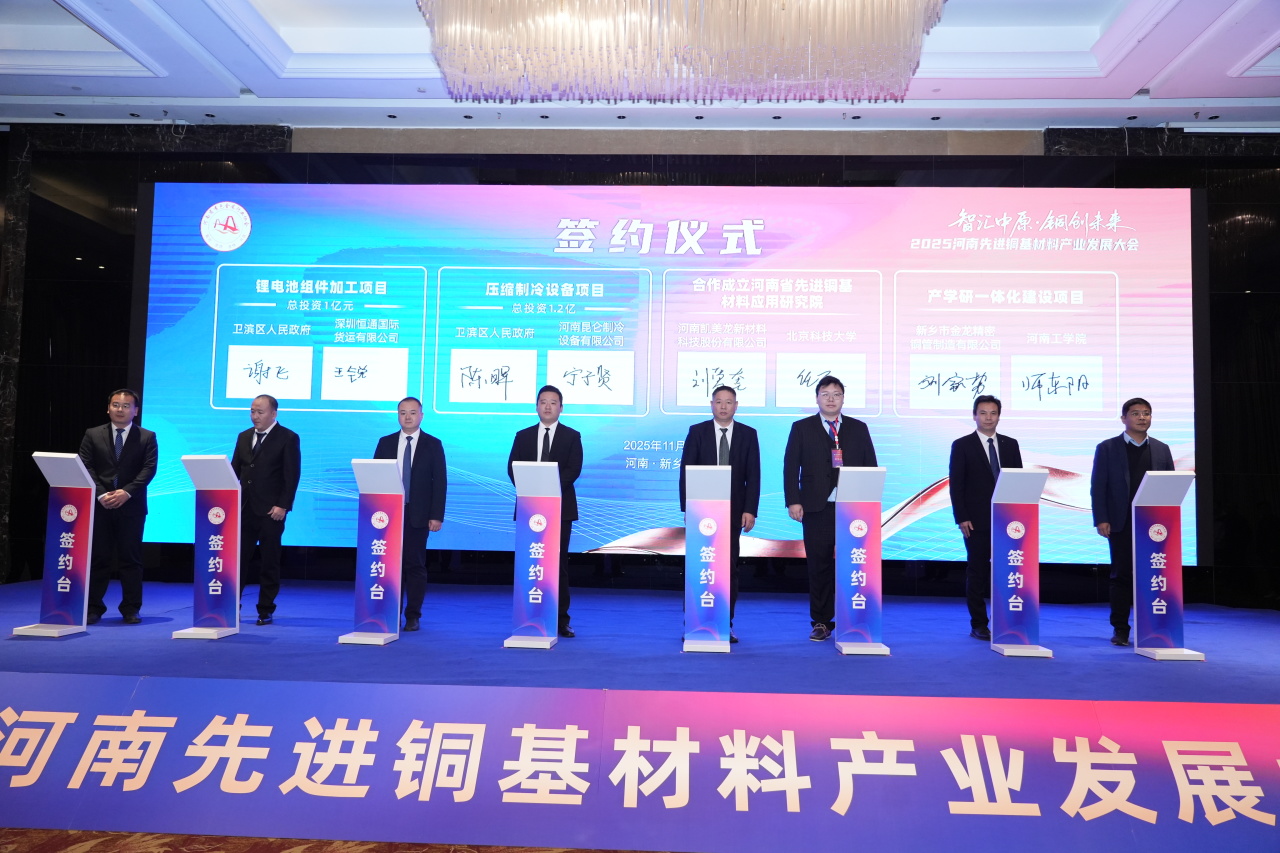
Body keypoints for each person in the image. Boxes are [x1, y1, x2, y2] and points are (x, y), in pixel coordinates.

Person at [783, 375, 877, 641]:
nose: (831, 399)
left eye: (836, 394)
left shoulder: (859, 428)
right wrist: (793, 500)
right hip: (816, 507)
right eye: (825, 394)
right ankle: (822, 621)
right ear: (817, 398)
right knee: (819, 566)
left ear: (843, 399)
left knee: (854, 565)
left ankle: (854, 619)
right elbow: (791, 467)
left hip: (853, 510)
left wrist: (869, 505)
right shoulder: (801, 428)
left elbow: (870, 466)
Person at [679, 384, 761, 643]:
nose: (723, 406)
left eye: (728, 402)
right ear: (711, 405)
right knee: (699, 566)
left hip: (734, 512)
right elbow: (686, 471)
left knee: (728, 568)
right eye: (719, 401)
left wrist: (750, 509)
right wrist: (687, 508)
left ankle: (726, 622)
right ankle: (694, 622)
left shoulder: (748, 434)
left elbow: (753, 476)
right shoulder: (697, 432)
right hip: (701, 513)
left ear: (736, 406)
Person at [1090, 397, 1174, 646]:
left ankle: (1154, 628)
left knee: (1154, 576)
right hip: (1121, 521)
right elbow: (1098, 486)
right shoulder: (1107, 448)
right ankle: (1121, 629)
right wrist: (1102, 518)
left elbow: (1169, 486)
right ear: (1123, 418)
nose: (1142, 417)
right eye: (1136, 413)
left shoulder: (1161, 449)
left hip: (1154, 525)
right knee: (1122, 575)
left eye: (1146, 413)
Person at [507, 385, 583, 638]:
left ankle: (561, 619)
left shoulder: (572, 436)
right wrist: (533, 491)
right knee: (531, 562)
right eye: (543, 402)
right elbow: (513, 468)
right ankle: (528, 615)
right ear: (536, 406)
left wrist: (549, 489)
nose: (548, 406)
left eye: (553, 402)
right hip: (529, 510)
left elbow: (574, 469)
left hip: (560, 510)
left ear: (561, 408)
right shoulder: (523, 436)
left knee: (557, 565)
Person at [78, 389, 158, 625]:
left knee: (130, 559)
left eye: (125, 406)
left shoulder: (147, 436)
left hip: (131, 507)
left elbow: (149, 469)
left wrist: (127, 492)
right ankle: (93, 608)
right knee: (98, 558)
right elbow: (86, 465)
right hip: (101, 505)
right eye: (115, 405)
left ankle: (131, 608)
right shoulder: (92, 434)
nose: (120, 410)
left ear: (135, 411)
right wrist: (101, 494)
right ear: (108, 408)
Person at [948, 394, 1023, 640]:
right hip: (975, 520)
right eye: (983, 413)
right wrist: (961, 516)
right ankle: (979, 624)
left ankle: (1007, 620)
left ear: (999, 416)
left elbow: (1017, 482)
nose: (988, 418)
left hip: (1007, 521)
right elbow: (957, 484)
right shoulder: (962, 445)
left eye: (993, 413)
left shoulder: (1011, 444)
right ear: (974, 416)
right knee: (977, 572)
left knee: (1006, 571)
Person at [373, 396, 446, 632]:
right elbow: (376, 478)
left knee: (415, 565)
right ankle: (389, 612)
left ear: (421, 416)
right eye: (403, 412)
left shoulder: (433, 444)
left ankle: (413, 615)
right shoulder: (385, 443)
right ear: (398, 415)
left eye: (413, 412)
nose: (408, 417)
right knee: (389, 566)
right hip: (389, 516)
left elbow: (440, 482)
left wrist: (436, 516)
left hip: (418, 515)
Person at [231, 394, 301, 626]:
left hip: (272, 511)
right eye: (252, 411)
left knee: (269, 562)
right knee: (239, 560)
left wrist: (283, 505)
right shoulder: (243, 436)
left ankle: (265, 609)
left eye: (260, 412)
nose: (255, 416)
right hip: (244, 509)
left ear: (273, 413)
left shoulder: (288, 437)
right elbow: (235, 470)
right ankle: (232, 606)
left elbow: (291, 475)